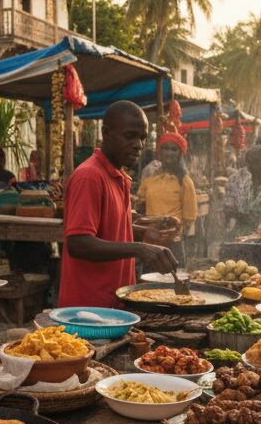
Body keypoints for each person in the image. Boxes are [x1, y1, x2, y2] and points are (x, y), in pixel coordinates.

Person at [59, 101, 176, 308]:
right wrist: (139, 249)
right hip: (87, 311)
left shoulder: (119, 176)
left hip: (114, 305)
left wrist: (143, 234)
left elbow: (108, 231)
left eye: (142, 138)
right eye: (130, 136)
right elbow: (78, 243)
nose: (138, 145)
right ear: (106, 133)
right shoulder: (89, 176)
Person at [139, 133, 198, 264]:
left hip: (173, 243)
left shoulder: (185, 181)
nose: (169, 153)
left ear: (180, 154)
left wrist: (178, 239)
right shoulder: (149, 179)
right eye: (165, 148)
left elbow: (189, 218)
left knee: (174, 281)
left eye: (174, 149)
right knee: (148, 281)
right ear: (159, 152)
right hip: (150, 240)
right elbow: (140, 204)